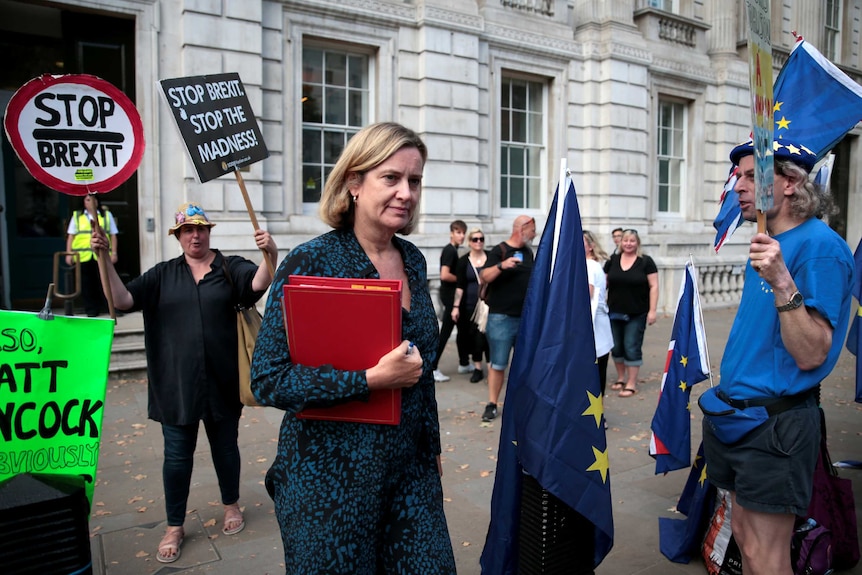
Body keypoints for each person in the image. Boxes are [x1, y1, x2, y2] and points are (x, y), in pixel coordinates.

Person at [250, 122, 457, 574]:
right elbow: (268, 378)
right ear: (354, 184)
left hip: (409, 472)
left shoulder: (414, 260)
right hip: (330, 480)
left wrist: (432, 448)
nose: (406, 192)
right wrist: (367, 381)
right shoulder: (313, 261)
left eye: (415, 180)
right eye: (391, 178)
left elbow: (421, 372)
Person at [90, 202, 278, 564]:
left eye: (201, 228)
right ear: (178, 236)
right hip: (175, 386)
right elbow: (122, 299)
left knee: (226, 449)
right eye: (187, 230)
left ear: (209, 232)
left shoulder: (229, 267)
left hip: (222, 382)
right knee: (176, 458)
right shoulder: (162, 275)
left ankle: (231, 505)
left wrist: (270, 254)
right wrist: (104, 260)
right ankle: (174, 525)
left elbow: (258, 282)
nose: (195, 235)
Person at [701, 139, 854, 575]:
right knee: (748, 545)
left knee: (767, 556)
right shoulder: (769, 240)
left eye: (752, 176)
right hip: (737, 419)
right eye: (738, 177)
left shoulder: (819, 247)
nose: (738, 187)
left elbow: (812, 352)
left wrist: (784, 281)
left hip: (775, 428)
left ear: (790, 183)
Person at [479, 215, 537, 421]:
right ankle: (492, 403)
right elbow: (484, 276)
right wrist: (502, 266)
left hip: (526, 318)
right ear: (522, 229)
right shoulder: (499, 250)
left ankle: (522, 403)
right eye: (532, 230)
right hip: (501, 318)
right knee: (498, 363)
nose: (535, 234)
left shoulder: (529, 252)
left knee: (525, 363)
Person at [603, 229, 658, 397]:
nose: (628, 244)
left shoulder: (646, 262)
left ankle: (631, 383)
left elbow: (654, 286)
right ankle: (621, 378)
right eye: (625, 240)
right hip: (613, 312)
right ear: (620, 242)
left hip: (637, 313)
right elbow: (603, 282)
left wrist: (652, 311)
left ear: (637, 243)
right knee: (617, 347)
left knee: (631, 346)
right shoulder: (612, 260)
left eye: (632, 241)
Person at [65, 194, 118, 316]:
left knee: (105, 282)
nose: (91, 202)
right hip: (83, 256)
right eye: (88, 199)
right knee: (87, 285)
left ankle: (110, 307)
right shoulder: (77, 216)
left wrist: (114, 253)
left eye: (93, 199)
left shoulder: (106, 215)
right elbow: (71, 236)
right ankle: (91, 310)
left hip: (101, 256)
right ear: (84, 202)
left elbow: (114, 235)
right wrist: (69, 254)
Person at [451, 228, 490, 383]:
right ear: (469, 242)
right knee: (474, 338)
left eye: (481, 239)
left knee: (488, 338)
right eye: (475, 239)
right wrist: (455, 307)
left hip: (488, 305)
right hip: (469, 306)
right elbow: (460, 286)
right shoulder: (463, 261)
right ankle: (478, 368)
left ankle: (491, 367)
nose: (478, 242)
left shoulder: (490, 257)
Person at [432, 219, 467, 382]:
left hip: (452, 296)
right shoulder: (450, 251)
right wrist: (462, 279)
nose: (462, 236)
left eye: (463, 233)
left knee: (462, 329)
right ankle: (432, 367)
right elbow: (444, 275)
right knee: (445, 333)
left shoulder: (453, 250)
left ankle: (464, 363)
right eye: (458, 232)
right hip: (449, 297)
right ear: (451, 233)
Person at [583, 230, 613, 398]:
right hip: (598, 326)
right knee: (597, 372)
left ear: (591, 247)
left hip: (593, 327)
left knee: (593, 374)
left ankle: (595, 418)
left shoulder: (588, 265)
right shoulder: (593, 265)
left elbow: (587, 296)